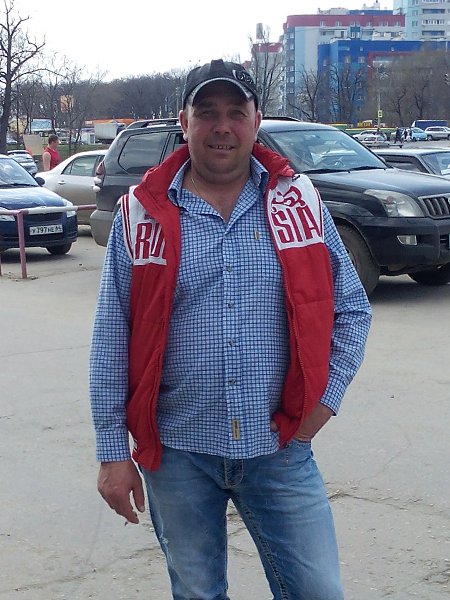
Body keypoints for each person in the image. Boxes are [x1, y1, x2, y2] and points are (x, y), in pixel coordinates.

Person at [90, 59, 372, 600]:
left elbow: (352, 309)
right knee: (197, 594)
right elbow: (111, 338)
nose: (223, 127)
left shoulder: (299, 203)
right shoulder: (141, 213)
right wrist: (111, 451)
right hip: (177, 453)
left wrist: (326, 400)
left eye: (236, 113)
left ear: (256, 120)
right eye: (207, 112)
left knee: (317, 590)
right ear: (184, 122)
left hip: (280, 447)